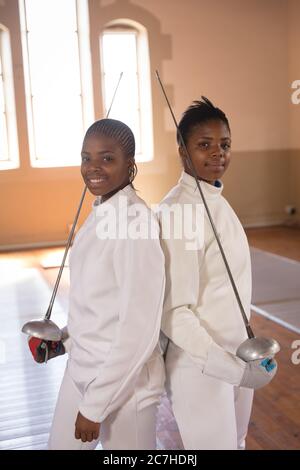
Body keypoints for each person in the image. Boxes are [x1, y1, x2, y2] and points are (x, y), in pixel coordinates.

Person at [29, 118, 165, 450]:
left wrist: (94, 406)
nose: (93, 168)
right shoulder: (100, 211)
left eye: (107, 158)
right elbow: (99, 304)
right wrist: (64, 340)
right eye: (86, 157)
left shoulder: (136, 225)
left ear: (129, 165)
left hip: (125, 387)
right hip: (82, 370)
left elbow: (139, 329)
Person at [158, 97, 277, 450]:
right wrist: (231, 370)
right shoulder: (178, 211)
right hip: (200, 368)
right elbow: (174, 314)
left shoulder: (215, 199)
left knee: (237, 442)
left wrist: (243, 365)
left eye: (224, 144)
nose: (217, 154)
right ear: (182, 150)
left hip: (237, 356)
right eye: (204, 145)